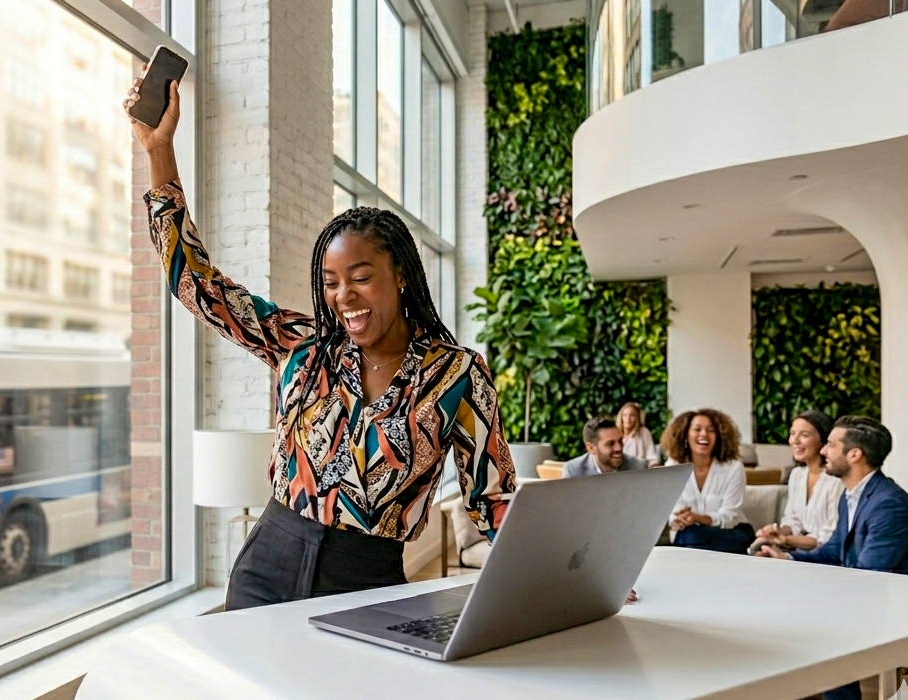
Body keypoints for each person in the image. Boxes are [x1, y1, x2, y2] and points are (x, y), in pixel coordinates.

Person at [124, 78, 516, 611]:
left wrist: (562, 575)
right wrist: (160, 151)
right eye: (330, 282)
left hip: (368, 581)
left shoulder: (457, 375)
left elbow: (492, 498)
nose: (343, 296)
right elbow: (197, 285)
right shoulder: (303, 347)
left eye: (360, 277)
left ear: (400, 275)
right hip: (268, 565)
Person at [756, 416, 908, 700]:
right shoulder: (851, 496)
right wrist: (786, 559)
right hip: (864, 596)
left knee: (815, 633)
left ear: (854, 454)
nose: (823, 451)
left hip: (891, 606)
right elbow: (833, 552)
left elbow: (871, 575)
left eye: (830, 444)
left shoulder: (888, 503)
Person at [662, 408, 755, 554]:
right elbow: (671, 512)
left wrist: (697, 518)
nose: (704, 434)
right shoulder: (673, 467)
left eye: (711, 430)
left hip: (729, 534)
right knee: (691, 534)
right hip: (688, 534)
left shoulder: (733, 468)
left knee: (692, 537)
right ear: (685, 435)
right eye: (697, 429)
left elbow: (729, 517)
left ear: (719, 436)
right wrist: (678, 519)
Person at [750, 411, 843, 553]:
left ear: (824, 440)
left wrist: (785, 540)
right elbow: (793, 520)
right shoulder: (797, 475)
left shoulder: (836, 480)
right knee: (759, 547)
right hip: (798, 547)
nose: (795, 440)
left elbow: (828, 536)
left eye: (804, 435)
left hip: (825, 553)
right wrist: (776, 532)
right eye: (792, 433)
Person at [562, 415, 648, 478]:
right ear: (591, 448)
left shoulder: (637, 467)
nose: (619, 448)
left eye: (620, 441)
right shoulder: (574, 471)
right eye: (610, 444)